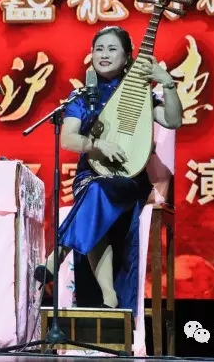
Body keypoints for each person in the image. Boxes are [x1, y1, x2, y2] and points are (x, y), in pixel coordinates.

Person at [35, 25, 182, 317]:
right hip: (89, 174)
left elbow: (173, 120)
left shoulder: (139, 95)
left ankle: (57, 256)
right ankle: (109, 297)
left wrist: (167, 83)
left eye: (112, 49)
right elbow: (68, 139)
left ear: (127, 57)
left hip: (129, 178)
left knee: (96, 195)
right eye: (99, 49)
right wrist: (98, 144)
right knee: (94, 193)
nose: (104, 54)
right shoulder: (82, 96)